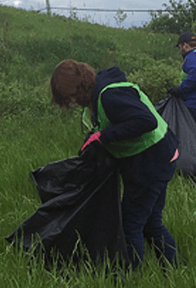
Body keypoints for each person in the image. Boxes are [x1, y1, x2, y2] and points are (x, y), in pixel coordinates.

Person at [50, 59, 180, 270]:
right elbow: (111, 124)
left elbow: (146, 121)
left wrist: (104, 136)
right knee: (150, 223)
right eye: (68, 99)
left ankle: (130, 276)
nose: (73, 101)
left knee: (130, 226)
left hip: (152, 161)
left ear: (82, 86)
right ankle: (176, 269)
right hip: (159, 156)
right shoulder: (96, 96)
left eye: (73, 96)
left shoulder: (110, 95)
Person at [169, 31, 196, 122]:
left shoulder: (192, 56)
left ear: (185, 45)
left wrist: (180, 90)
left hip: (192, 104)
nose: (180, 50)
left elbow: (194, 74)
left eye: (180, 47)